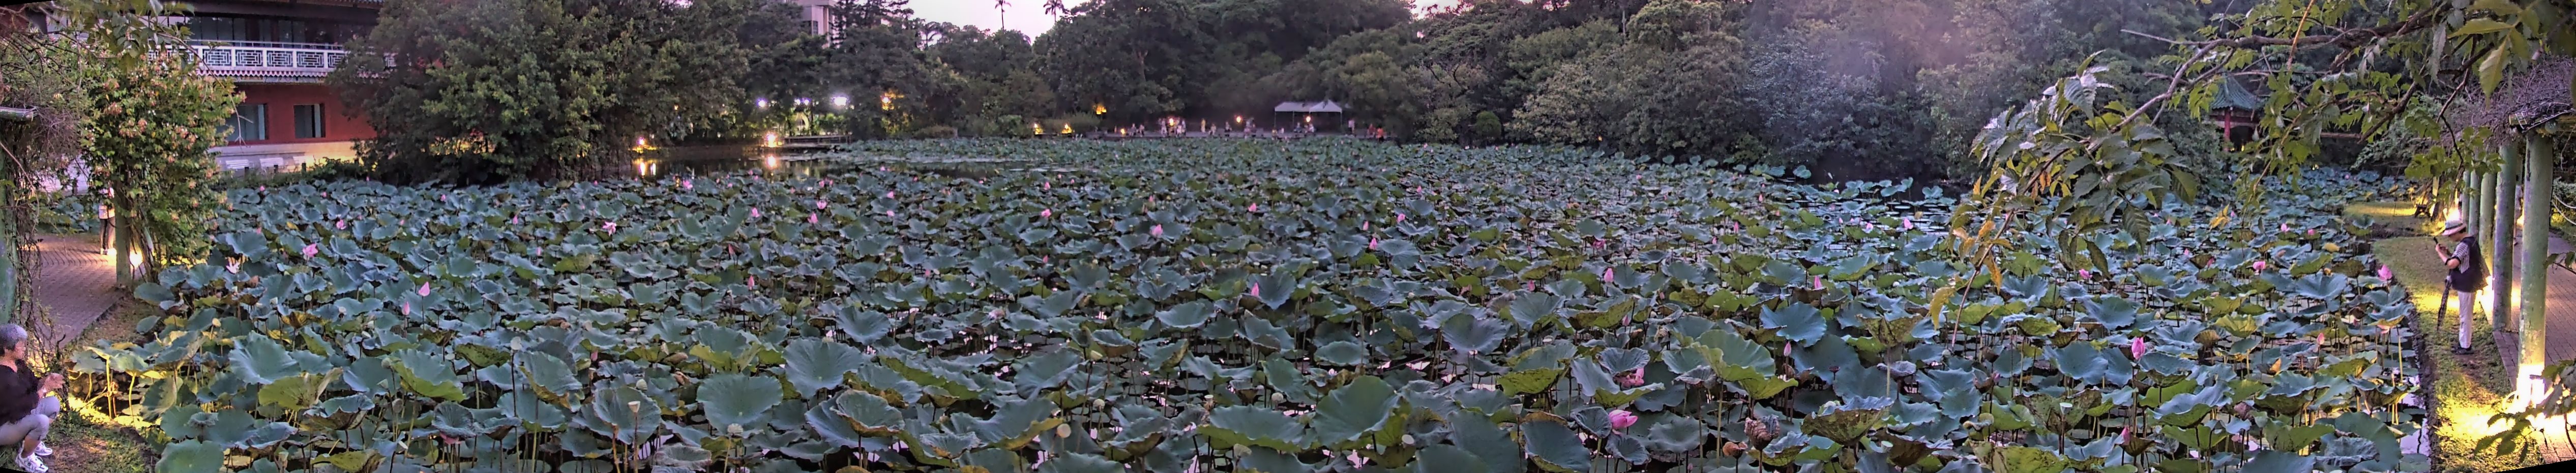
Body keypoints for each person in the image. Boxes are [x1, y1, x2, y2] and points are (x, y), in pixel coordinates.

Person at [0, 325, 59, 473]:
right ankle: (25, 457)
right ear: (7, 349)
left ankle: (32, 440)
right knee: (41, 421)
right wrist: (45, 390)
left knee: (53, 404)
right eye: (21, 345)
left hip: (18, 415)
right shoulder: (3, 377)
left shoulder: (18, 363)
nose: (25, 348)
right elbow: (21, 406)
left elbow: (33, 383)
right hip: (4, 424)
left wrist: (46, 382)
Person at [2438, 219, 2487, 355]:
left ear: (2457, 232)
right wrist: (2448, 252)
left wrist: (2440, 254)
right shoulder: (2471, 241)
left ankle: (2466, 346)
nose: (2449, 237)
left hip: (2467, 284)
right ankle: (2463, 342)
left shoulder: (2464, 245)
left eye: (2450, 235)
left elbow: (2452, 264)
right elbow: (2463, 260)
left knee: (2465, 316)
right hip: (2470, 283)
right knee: (2465, 314)